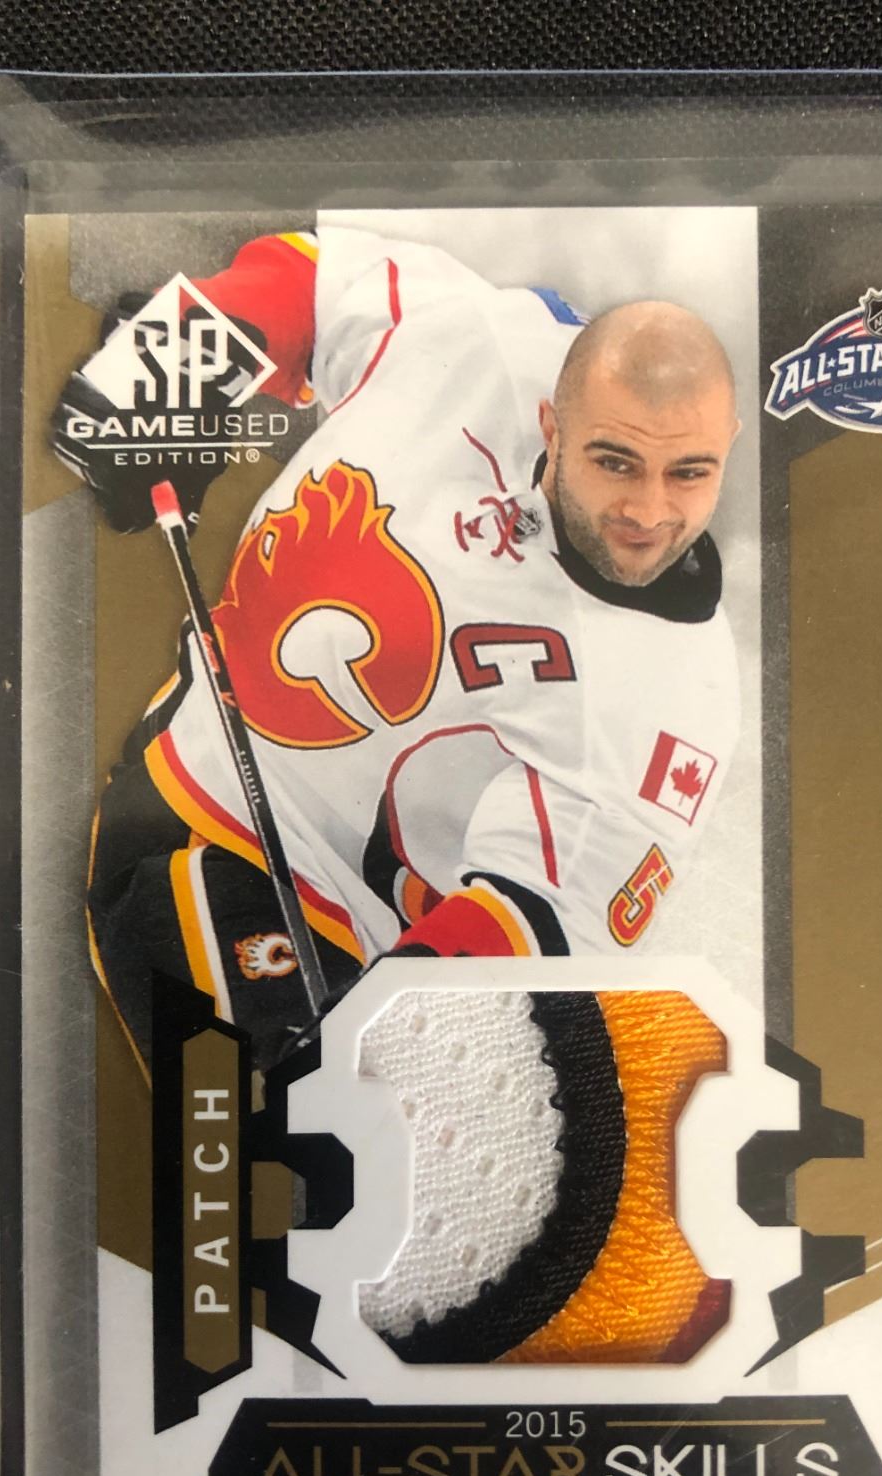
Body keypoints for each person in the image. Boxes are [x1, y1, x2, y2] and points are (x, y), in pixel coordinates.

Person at [58, 224, 743, 1070]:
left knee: (292, 1124)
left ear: (728, 448)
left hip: (336, 934)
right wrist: (176, 360)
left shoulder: (674, 714)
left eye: (689, 473)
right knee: (258, 1115)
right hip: (191, 789)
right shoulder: (484, 341)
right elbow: (314, 283)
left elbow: (526, 932)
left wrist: (371, 1056)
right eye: (616, 462)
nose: (648, 510)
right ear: (551, 425)